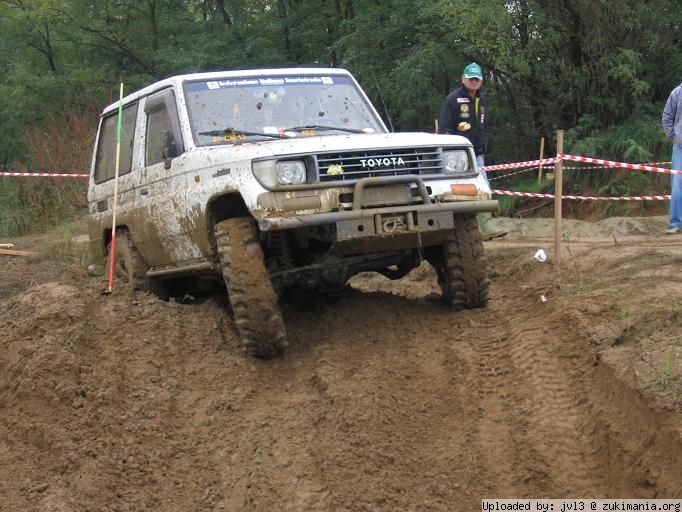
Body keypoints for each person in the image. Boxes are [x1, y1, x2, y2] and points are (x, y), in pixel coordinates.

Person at [438, 62, 507, 240]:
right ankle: (463, 230)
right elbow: (444, 130)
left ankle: (484, 226)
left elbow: (482, 128)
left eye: (477, 79)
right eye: (471, 78)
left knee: (483, 187)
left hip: (477, 154)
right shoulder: (452, 100)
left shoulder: (481, 101)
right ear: (463, 78)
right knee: (459, 192)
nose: (474, 82)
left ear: (481, 81)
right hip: (457, 156)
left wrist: (483, 149)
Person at [662, 82, 682, 234]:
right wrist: (673, 137)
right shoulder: (677, 93)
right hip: (680, 147)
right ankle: (675, 223)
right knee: (677, 184)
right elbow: (667, 116)